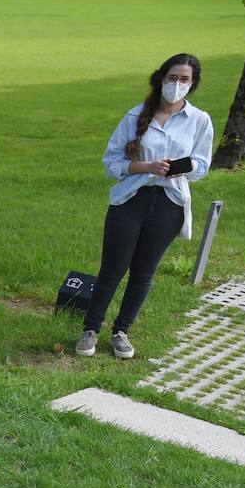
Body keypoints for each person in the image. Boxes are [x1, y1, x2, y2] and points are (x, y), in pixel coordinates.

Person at [76, 53, 213, 360]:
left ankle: (121, 331)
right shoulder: (136, 116)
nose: (177, 84)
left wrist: (180, 167)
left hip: (169, 202)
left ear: (193, 84)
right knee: (113, 268)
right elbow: (112, 162)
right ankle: (90, 329)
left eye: (184, 79)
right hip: (130, 199)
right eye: (172, 78)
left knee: (144, 272)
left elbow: (202, 164)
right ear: (161, 79)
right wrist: (148, 167)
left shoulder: (199, 120)